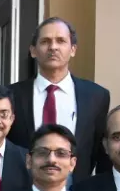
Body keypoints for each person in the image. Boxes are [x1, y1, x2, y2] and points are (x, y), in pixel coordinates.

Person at [10, 18, 112, 177]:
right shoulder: (12, 95)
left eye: (61, 41)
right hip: (24, 186)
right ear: (33, 51)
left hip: (78, 188)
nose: (53, 47)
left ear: (73, 49)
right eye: (45, 41)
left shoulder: (96, 96)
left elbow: (101, 153)